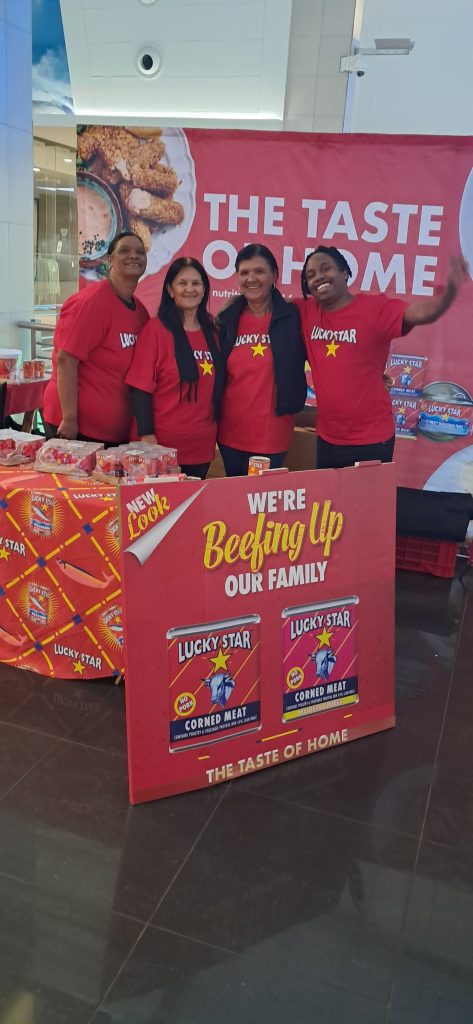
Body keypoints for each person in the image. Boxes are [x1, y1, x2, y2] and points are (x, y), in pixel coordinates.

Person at [296, 245, 468, 469]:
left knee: (366, 494)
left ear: (344, 272)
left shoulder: (374, 308)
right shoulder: (305, 311)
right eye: (311, 275)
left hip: (371, 439)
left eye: (325, 269)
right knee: (329, 494)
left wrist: (448, 295)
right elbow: (267, 304)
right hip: (327, 438)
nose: (319, 276)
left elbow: (421, 313)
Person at [43, 231, 148, 446]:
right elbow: (66, 360)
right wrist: (69, 418)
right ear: (110, 260)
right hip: (75, 431)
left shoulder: (140, 312)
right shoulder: (91, 302)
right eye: (124, 251)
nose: (133, 256)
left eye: (140, 252)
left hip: (112, 434)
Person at [126, 257, 224, 479]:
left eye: (196, 283)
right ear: (171, 290)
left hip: (200, 447)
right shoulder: (155, 331)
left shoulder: (213, 333)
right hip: (159, 446)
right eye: (182, 283)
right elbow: (140, 389)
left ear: (204, 290)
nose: (190, 289)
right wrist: (147, 437)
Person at [217, 243, 307, 476]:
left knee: (258, 498)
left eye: (259, 271)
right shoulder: (227, 318)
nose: (251, 279)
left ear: (274, 275)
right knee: (233, 494)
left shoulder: (293, 317)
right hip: (230, 433)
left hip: (271, 434)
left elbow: (324, 349)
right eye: (244, 272)